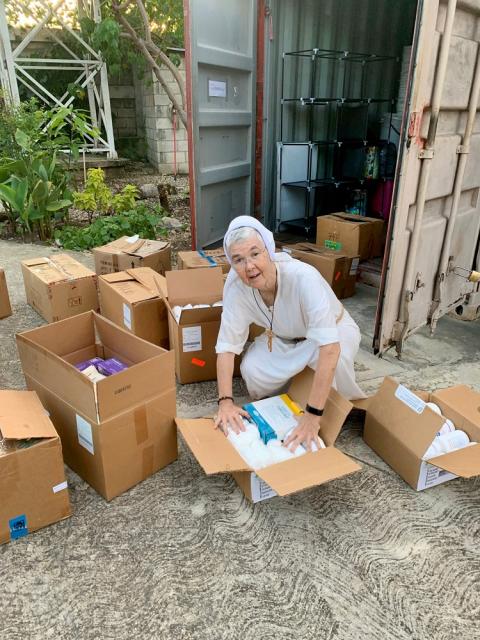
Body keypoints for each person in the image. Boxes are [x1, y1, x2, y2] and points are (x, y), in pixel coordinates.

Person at [214, 215, 366, 453]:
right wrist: (225, 403)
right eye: (239, 259)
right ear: (232, 264)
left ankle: (317, 407)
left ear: (269, 250)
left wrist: (312, 416)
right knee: (252, 369)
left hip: (330, 335)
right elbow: (226, 346)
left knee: (332, 362)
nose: (249, 266)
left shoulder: (303, 277)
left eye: (255, 254)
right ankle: (289, 403)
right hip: (283, 339)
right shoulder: (235, 287)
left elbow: (329, 348)